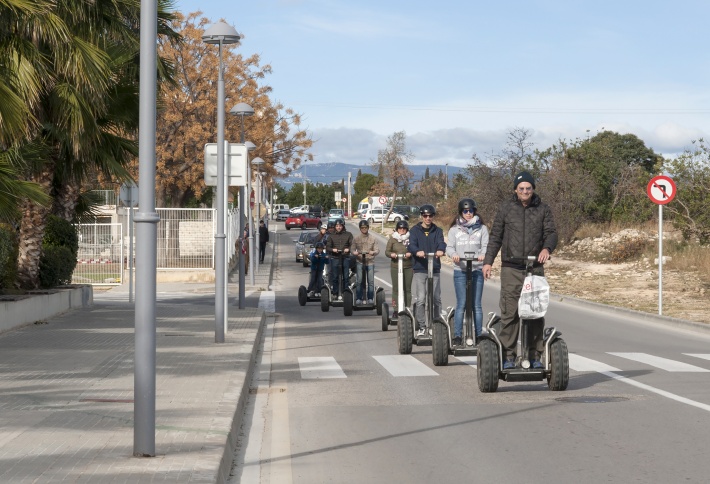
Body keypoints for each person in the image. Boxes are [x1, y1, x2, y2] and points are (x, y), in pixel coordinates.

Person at [482, 171, 558, 370]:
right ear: (515, 190)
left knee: (535, 312)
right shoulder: (506, 208)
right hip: (511, 268)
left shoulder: (543, 208)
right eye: (521, 188)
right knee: (510, 313)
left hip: (535, 268)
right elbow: (496, 236)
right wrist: (488, 262)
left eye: (528, 188)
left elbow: (551, 233)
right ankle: (508, 356)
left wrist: (546, 248)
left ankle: (535, 356)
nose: (525, 191)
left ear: (533, 189)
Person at [446, 198, 489, 346]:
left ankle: (479, 336)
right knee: (462, 304)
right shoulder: (454, 230)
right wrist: (454, 255)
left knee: (476, 304)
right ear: (461, 212)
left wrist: (483, 254)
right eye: (465, 211)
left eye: (471, 211)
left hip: (476, 269)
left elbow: (485, 246)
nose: (468, 213)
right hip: (461, 270)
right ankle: (458, 336)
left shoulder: (482, 228)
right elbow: (449, 247)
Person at [408, 204, 446, 337]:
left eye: (430, 216)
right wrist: (417, 251)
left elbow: (442, 242)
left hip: (434, 268)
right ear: (421, 216)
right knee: (421, 299)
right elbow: (411, 244)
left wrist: (441, 250)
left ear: (433, 217)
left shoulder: (438, 231)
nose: (428, 218)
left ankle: (435, 325)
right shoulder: (414, 230)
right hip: (420, 268)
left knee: (436, 298)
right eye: (425, 216)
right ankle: (422, 327)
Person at [385, 219, 413, 312]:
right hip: (395, 266)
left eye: (404, 228)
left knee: (407, 289)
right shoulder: (393, 239)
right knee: (396, 289)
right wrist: (392, 254)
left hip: (408, 266)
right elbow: (387, 252)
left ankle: (407, 309)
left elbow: (414, 248)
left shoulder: (410, 239)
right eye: (400, 228)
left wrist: (410, 253)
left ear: (407, 229)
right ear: (397, 229)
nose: (402, 230)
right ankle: (396, 310)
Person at [352, 219, 379, 305]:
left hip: (370, 261)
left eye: (365, 227)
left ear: (368, 228)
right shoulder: (356, 238)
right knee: (359, 280)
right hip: (360, 261)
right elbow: (352, 248)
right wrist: (354, 252)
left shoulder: (373, 238)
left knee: (370, 281)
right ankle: (359, 297)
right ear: (360, 228)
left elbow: (377, 249)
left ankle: (370, 298)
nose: (364, 229)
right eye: (362, 228)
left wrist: (373, 252)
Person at [325, 218, 353, 300]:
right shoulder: (331, 236)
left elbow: (353, 245)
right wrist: (333, 249)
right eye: (337, 226)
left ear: (343, 226)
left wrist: (348, 249)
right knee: (335, 276)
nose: (338, 227)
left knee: (346, 276)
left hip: (345, 257)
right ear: (335, 227)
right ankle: (335, 293)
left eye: (340, 226)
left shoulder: (348, 234)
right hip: (335, 257)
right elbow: (328, 247)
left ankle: (346, 293)